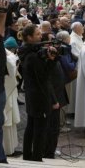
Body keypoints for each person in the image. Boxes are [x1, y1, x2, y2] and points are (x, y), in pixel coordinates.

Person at [20, 24, 63, 162]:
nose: (41, 36)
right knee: (39, 130)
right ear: (29, 37)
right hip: (39, 97)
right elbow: (43, 77)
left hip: (33, 96)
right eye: (38, 34)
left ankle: (27, 156)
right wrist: (52, 61)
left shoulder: (27, 52)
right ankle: (36, 159)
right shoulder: (32, 56)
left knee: (31, 127)